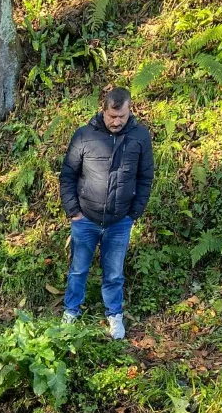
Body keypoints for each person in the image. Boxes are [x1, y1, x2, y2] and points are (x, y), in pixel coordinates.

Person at [59, 87, 155, 339]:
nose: (117, 121)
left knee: (114, 273)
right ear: (104, 110)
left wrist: (133, 214)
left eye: (122, 116)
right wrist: (74, 212)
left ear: (129, 110)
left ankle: (114, 315)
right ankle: (71, 311)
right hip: (85, 218)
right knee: (78, 270)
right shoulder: (84, 135)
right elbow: (68, 175)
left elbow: (145, 178)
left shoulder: (140, 137)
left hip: (119, 221)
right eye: (112, 116)